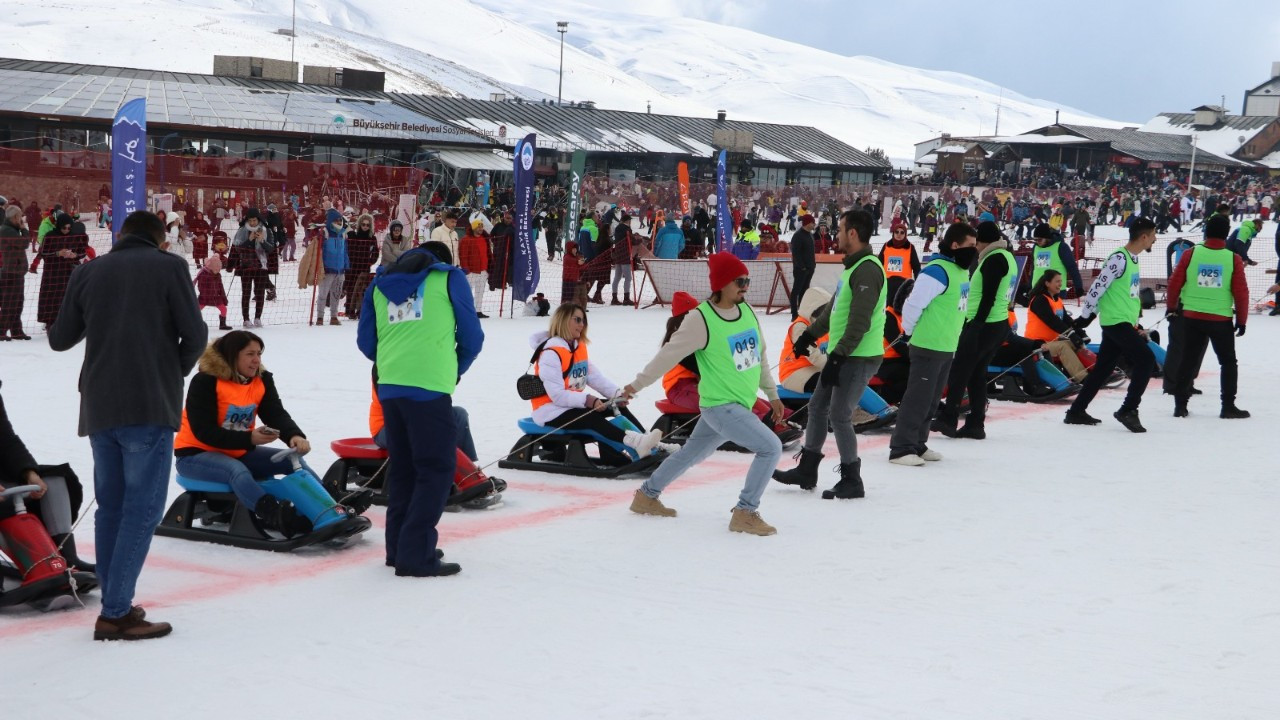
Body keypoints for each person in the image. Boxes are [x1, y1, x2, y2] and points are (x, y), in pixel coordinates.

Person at [49, 210, 206, 641]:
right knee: (143, 508)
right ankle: (115, 611)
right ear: (161, 240)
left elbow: (60, 338)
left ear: (119, 236)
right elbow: (195, 335)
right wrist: (169, 372)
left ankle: (114, 603)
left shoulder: (89, 271)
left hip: (99, 405)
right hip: (148, 404)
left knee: (113, 507)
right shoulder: (170, 267)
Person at [622, 252, 785, 536]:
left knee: (690, 454)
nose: (746, 286)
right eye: (740, 281)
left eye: (747, 279)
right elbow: (668, 355)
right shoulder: (701, 319)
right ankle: (745, 512)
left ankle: (646, 496)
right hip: (720, 406)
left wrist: (772, 394)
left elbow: (758, 357)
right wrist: (636, 385)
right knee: (771, 447)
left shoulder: (746, 312)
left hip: (738, 405)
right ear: (721, 283)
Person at [357, 245, 483, 577]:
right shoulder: (448, 278)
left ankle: (399, 548)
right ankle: (415, 553)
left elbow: (366, 341)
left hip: (391, 387)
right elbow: (472, 335)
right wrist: (453, 368)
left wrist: (395, 362)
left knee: (404, 470)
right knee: (436, 470)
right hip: (429, 388)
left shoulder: (379, 284)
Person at [173, 331, 341, 536]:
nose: (256, 360)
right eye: (250, 354)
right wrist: (249, 438)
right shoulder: (206, 381)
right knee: (237, 472)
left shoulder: (261, 380)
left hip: (237, 450)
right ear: (232, 355)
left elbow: (275, 413)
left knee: (292, 461)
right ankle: (275, 515)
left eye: (259, 354)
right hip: (194, 455)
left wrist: (294, 436)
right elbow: (204, 432)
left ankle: (331, 506)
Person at [773, 209, 885, 499]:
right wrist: (809, 335)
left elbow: (860, 323)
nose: (836, 235)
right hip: (844, 353)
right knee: (818, 406)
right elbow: (833, 314)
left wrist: (837, 357)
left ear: (853, 233)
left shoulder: (868, 270)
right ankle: (808, 468)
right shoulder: (851, 268)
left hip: (857, 356)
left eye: (840, 230)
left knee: (839, 414)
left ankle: (852, 478)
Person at [887, 223, 977, 466]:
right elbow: (913, 305)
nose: (974, 250)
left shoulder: (960, 270)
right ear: (955, 245)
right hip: (928, 344)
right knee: (918, 398)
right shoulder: (936, 271)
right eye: (970, 245)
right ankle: (901, 447)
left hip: (946, 345)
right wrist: (909, 331)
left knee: (932, 399)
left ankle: (918, 442)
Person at [1064, 217, 1159, 432]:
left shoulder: (1133, 259)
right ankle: (1128, 409)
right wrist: (1087, 315)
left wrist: (1136, 320)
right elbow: (1099, 287)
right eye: (1153, 235)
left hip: (1122, 322)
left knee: (1103, 370)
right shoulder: (1119, 258)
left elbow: (1125, 294)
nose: (1155, 239)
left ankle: (1076, 411)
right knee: (1146, 359)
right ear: (1144, 237)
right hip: (1116, 323)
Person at [528, 304, 661, 452]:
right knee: (592, 418)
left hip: (571, 405)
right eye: (577, 320)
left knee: (615, 406)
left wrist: (617, 394)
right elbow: (557, 395)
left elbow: (595, 377)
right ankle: (637, 444)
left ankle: (647, 441)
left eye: (583, 320)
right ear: (564, 320)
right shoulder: (550, 353)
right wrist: (588, 400)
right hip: (551, 410)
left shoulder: (577, 348)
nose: (582, 325)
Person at [934, 221, 1015, 439]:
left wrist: (976, 325)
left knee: (960, 370)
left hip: (985, 324)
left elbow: (988, 296)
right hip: (998, 323)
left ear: (982, 241)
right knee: (977, 375)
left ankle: (949, 418)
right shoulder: (1007, 257)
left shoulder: (994, 259)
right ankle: (976, 423)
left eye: (976, 242)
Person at [1166, 214, 1249, 419]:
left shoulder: (1191, 254)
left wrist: (1171, 307)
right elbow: (1241, 292)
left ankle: (1180, 405)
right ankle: (1228, 406)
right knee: (1228, 362)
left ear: (1206, 231)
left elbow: (1175, 282)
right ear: (1226, 233)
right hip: (1220, 319)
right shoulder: (1233, 259)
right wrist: (1242, 320)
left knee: (1187, 359)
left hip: (1192, 317)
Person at [1025, 269, 1089, 383]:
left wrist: (1080, 333)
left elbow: (1066, 320)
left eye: (1061, 281)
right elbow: (1053, 321)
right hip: (1038, 344)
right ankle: (1083, 378)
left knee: (1075, 344)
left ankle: (1095, 370)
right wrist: (1071, 334)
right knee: (1063, 347)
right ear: (1047, 283)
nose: (1060, 284)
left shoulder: (1057, 299)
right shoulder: (1039, 300)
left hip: (1052, 341)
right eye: (1057, 281)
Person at [36, 213, 87, 328]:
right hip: (52, 273)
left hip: (68, 272)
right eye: (64, 228)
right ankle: (50, 321)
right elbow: (43, 253)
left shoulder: (75, 236)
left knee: (69, 296)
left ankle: (69, 320)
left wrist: (75, 255)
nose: (66, 230)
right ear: (59, 226)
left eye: (69, 228)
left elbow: (83, 252)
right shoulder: (50, 236)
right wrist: (57, 253)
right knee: (53, 297)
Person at [229, 209, 275, 328]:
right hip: (246, 266)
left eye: (254, 220)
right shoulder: (241, 231)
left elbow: (271, 248)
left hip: (261, 266)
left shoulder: (267, 230)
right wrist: (249, 241)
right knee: (246, 293)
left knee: (259, 293)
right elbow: (237, 248)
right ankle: (246, 319)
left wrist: (262, 241)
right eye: (250, 220)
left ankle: (258, 317)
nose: (253, 223)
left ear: (258, 220)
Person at [0, 206, 31, 340]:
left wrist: (20, 228)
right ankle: (1, 331)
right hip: (11, 271)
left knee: (18, 303)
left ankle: (16, 331)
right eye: (19, 217)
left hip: (16, 271)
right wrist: (23, 229)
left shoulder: (11, 229)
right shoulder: (7, 230)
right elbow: (24, 243)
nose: (21, 219)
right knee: (10, 303)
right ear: (14, 217)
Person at [1029, 223, 1084, 297]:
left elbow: (1072, 267)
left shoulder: (1061, 247)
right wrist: (1029, 286)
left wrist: (1078, 286)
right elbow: (1034, 269)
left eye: (1040, 239)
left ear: (1047, 237)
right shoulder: (1036, 248)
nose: (1037, 242)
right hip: (1037, 290)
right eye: (1035, 240)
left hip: (1056, 291)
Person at [343, 214, 378, 321]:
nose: (365, 226)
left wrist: (370, 262)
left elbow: (375, 253)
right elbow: (347, 248)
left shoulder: (372, 238)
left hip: (364, 267)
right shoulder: (354, 235)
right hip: (352, 266)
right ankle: (349, 310)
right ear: (360, 224)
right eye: (363, 224)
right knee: (351, 288)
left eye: (368, 225)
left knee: (362, 290)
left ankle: (360, 310)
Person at [317, 204, 348, 325]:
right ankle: (320, 317)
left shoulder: (343, 234)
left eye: (340, 220)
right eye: (336, 220)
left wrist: (346, 264)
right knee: (323, 294)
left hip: (340, 270)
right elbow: (318, 250)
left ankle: (333, 316)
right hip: (327, 269)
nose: (339, 222)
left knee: (336, 294)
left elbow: (345, 251)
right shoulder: (325, 233)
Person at [459, 219, 490, 319]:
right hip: (471, 271)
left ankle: (478, 310)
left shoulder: (483, 239)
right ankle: (466, 310)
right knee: (467, 292)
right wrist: (465, 269)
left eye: (482, 226)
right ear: (473, 228)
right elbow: (463, 255)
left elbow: (487, 254)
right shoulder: (466, 239)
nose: (481, 229)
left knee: (480, 292)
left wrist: (488, 268)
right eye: (479, 226)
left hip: (483, 270)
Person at [789, 214, 817, 320]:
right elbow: (796, 253)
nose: (814, 224)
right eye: (812, 222)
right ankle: (794, 313)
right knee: (796, 291)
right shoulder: (798, 235)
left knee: (805, 292)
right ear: (807, 223)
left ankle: (802, 312)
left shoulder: (810, 235)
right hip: (801, 269)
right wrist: (802, 267)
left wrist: (812, 265)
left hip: (810, 268)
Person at [194, 254, 231, 331]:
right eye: (216, 268)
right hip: (204, 298)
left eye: (219, 269)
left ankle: (222, 324)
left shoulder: (218, 275)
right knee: (195, 311)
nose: (218, 270)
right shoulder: (203, 274)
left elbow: (221, 287)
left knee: (224, 309)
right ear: (211, 267)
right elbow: (200, 287)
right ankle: (192, 323)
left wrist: (224, 298)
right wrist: (204, 295)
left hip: (215, 297)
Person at [879, 220, 920, 284]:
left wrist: (918, 284)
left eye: (902, 232)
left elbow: (916, 267)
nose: (899, 234)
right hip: (887, 283)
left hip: (904, 284)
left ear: (905, 234)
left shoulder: (910, 247)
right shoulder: (886, 246)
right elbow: (879, 264)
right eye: (897, 232)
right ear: (893, 233)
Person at [610, 214, 635, 305]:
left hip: (618, 255)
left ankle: (614, 297)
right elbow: (632, 241)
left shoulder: (617, 228)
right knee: (628, 278)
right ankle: (626, 298)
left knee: (617, 277)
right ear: (628, 220)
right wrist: (639, 240)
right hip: (625, 255)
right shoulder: (627, 230)